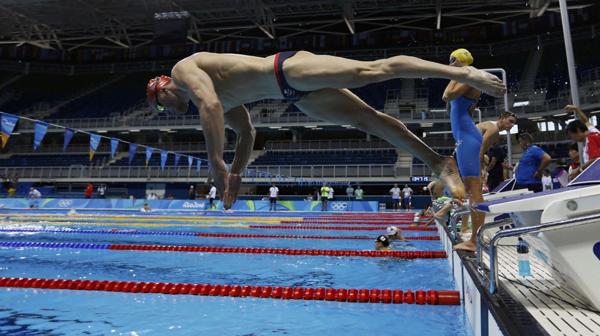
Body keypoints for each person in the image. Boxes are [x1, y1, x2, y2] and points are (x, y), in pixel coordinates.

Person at [147, 51, 506, 209]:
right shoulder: (217, 98)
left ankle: (462, 73)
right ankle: (438, 163)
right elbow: (246, 133)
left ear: (163, 87)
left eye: (162, 103)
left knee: (373, 71)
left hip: (286, 69)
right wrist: (237, 174)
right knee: (369, 120)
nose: (167, 109)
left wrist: (215, 161)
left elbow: (208, 107)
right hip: (296, 96)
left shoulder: (183, 70)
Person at [442, 48, 485, 252]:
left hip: (467, 136)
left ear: (457, 61)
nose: (449, 66)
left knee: (474, 189)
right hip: (464, 135)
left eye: (451, 62)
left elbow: (447, 95)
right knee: (471, 189)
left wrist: (454, 73)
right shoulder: (466, 77)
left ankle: (475, 241)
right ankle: (475, 237)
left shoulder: (468, 75)